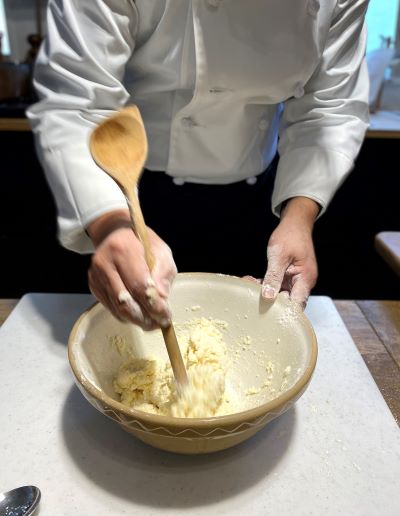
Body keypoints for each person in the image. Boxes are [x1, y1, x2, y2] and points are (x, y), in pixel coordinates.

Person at [28, 0, 369, 330]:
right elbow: (78, 104)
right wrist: (108, 224)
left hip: (260, 205)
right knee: (129, 329)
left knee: (241, 339)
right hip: (130, 194)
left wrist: (299, 217)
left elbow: (330, 108)